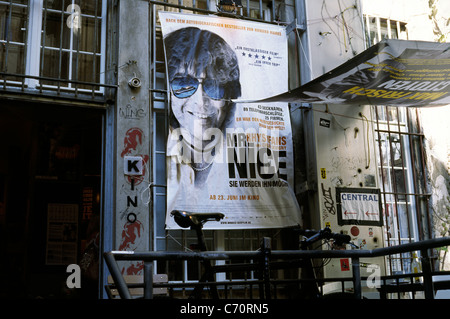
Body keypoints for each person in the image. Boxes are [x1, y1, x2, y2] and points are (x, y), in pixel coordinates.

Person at [164, 27, 242, 187]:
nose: (200, 101)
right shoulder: (155, 149)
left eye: (213, 85)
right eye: (183, 84)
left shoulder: (242, 151)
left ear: (229, 97)